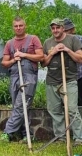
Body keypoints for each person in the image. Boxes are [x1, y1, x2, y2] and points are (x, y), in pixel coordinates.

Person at [0, 17, 43, 142]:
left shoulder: (33, 39)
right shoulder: (9, 43)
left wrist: (24, 55)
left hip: (29, 76)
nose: (18, 28)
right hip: (14, 75)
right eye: (16, 26)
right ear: (13, 27)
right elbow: (4, 62)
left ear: (25, 26)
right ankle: (27, 134)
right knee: (18, 106)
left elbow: (40, 56)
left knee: (21, 105)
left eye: (21, 25)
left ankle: (7, 133)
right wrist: (14, 59)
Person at [42, 18, 82, 146]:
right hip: (52, 81)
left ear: (63, 28)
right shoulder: (48, 42)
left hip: (69, 80)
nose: (55, 30)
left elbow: (80, 58)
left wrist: (67, 50)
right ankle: (61, 137)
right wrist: (52, 53)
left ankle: (78, 138)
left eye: (57, 28)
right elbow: (43, 63)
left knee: (71, 109)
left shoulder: (72, 40)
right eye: (53, 28)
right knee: (54, 110)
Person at [63, 18, 82, 106]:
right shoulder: (60, 41)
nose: (65, 32)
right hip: (67, 76)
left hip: (79, 75)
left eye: (67, 30)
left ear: (72, 30)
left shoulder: (79, 39)